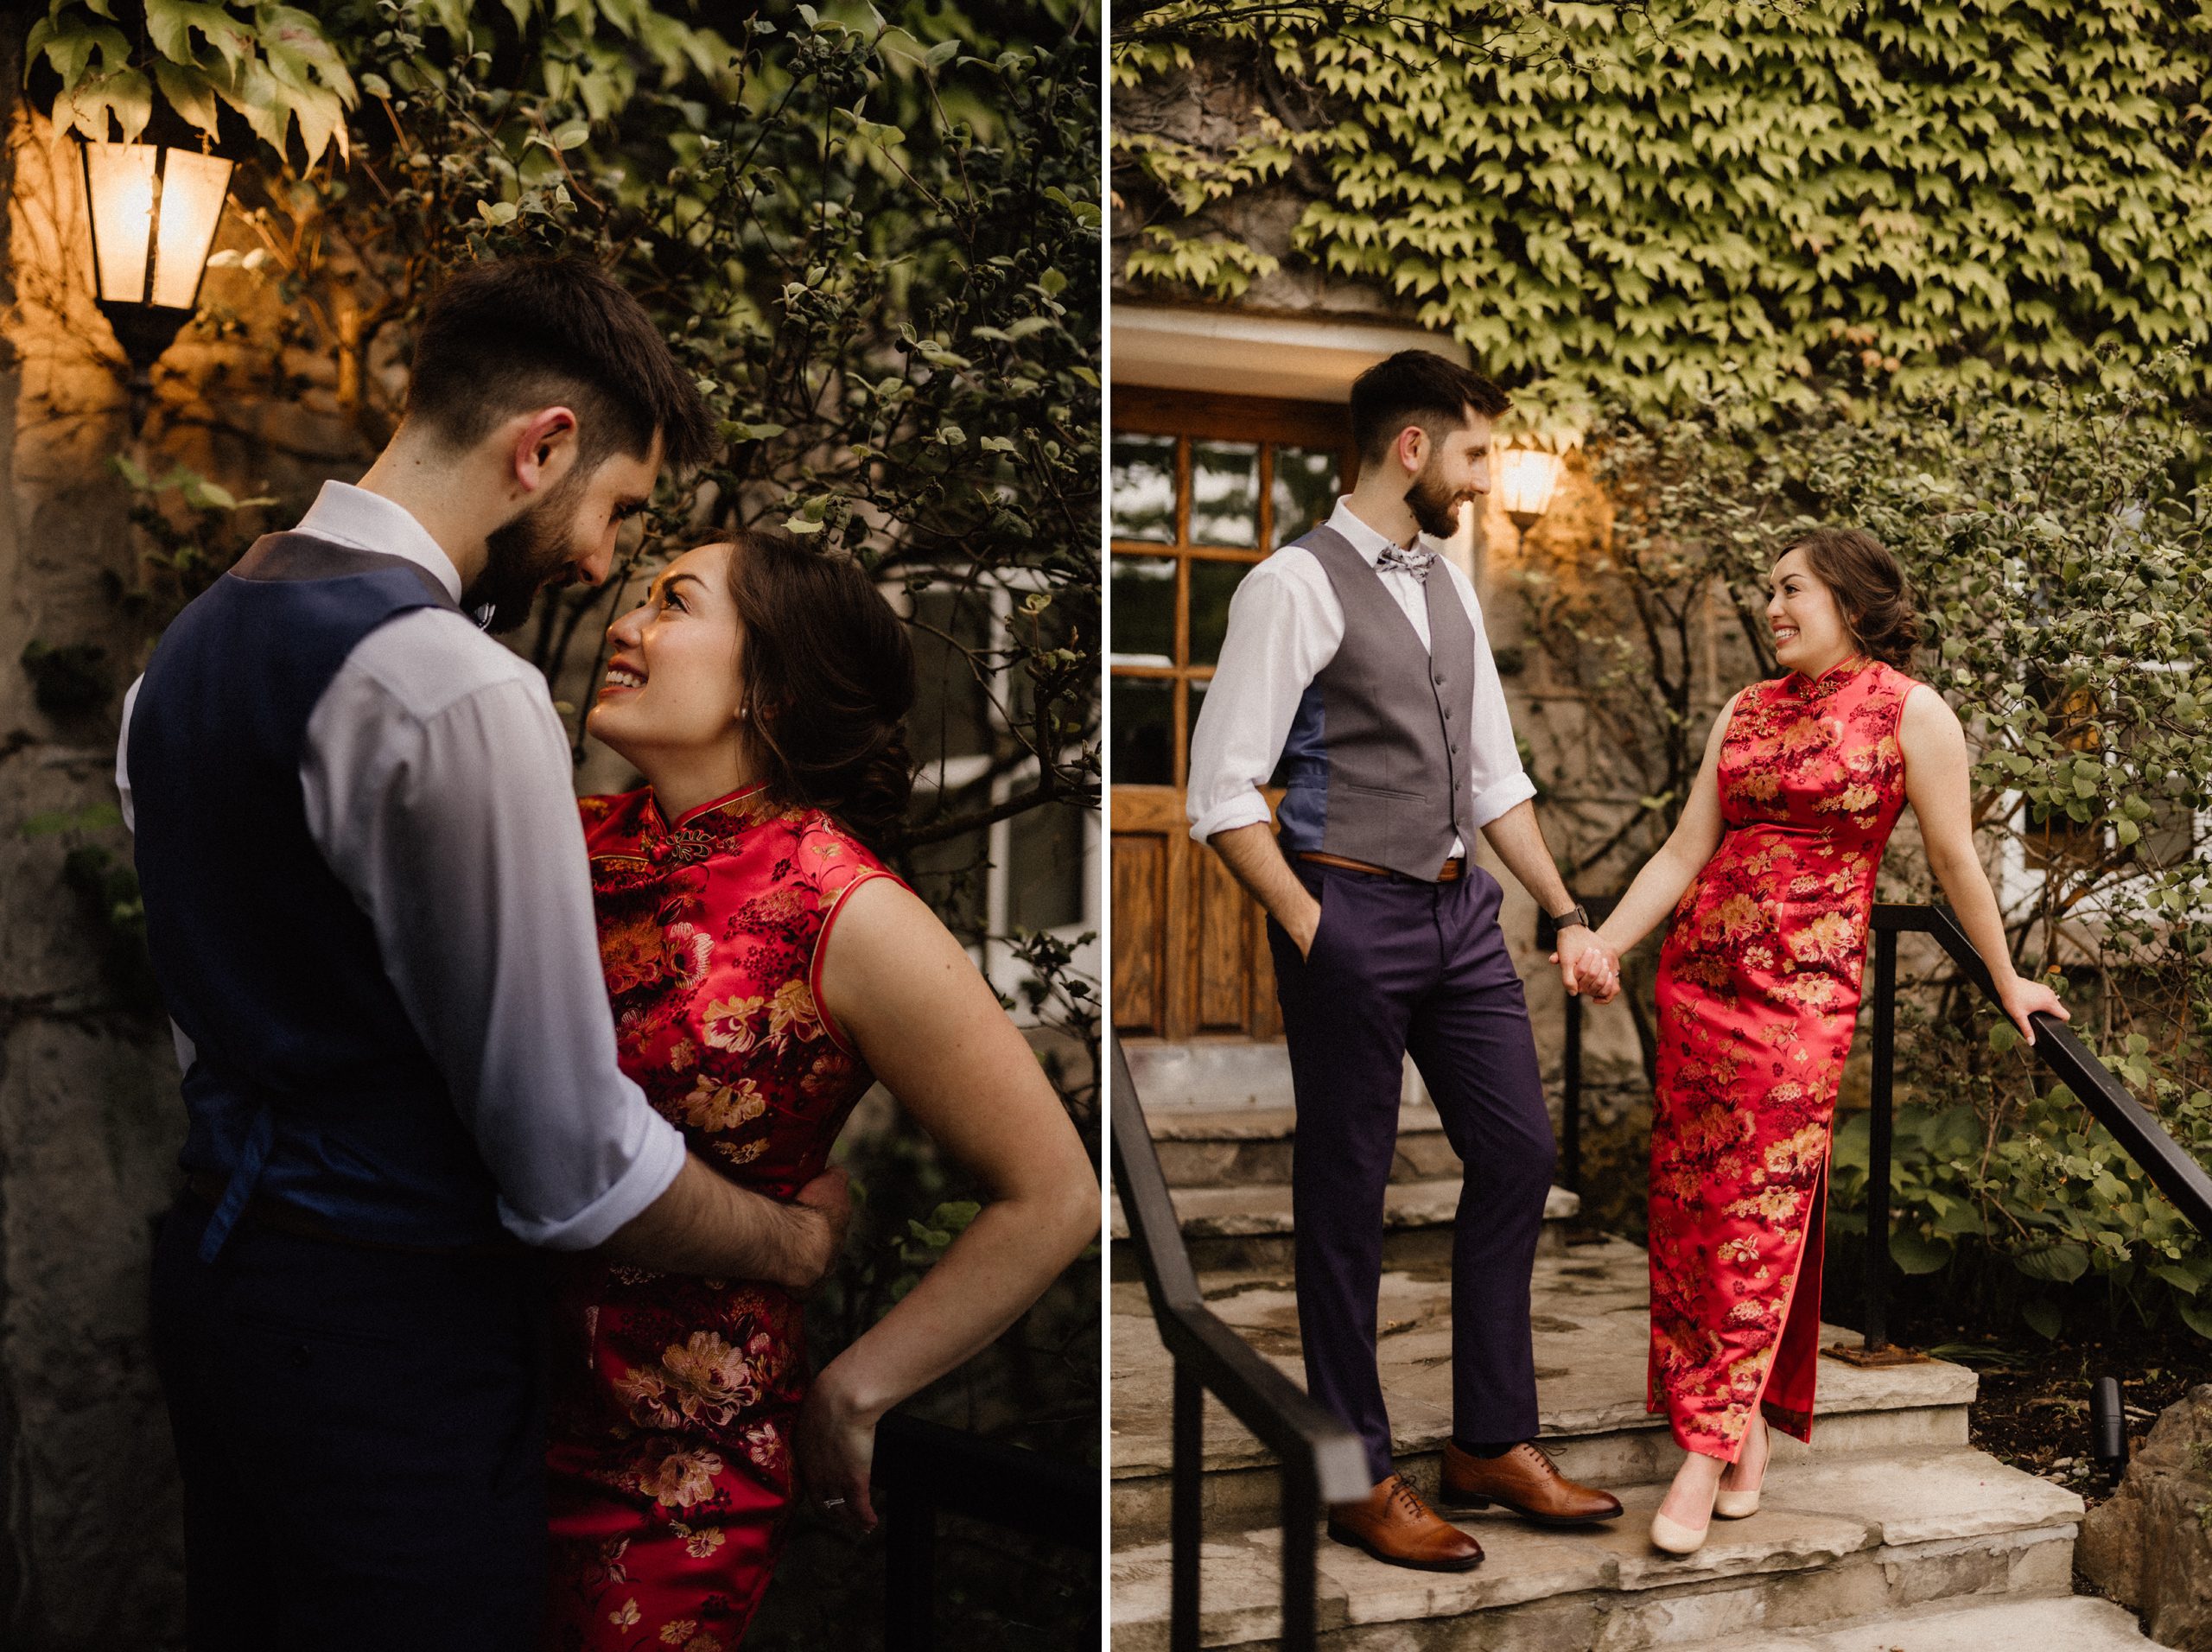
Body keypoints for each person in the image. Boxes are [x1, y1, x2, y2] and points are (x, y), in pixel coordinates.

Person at [120, 257, 858, 1650]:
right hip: (386, 1336)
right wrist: (792, 1242)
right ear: (545, 447)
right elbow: (568, 1160)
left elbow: (219, 1022)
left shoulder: (184, 652)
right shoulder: (455, 687)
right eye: (618, 511)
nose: (600, 564)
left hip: (219, 1295)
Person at [538, 531, 1097, 1646]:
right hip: (467, 1415)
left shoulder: (842, 907)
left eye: (675, 604)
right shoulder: (566, 843)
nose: (626, 626)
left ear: (771, 687)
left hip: (667, 1477)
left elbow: (1055, 1195)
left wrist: (858, 1388)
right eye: (640, 600)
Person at [1186, 349, 1624, 1575]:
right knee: (1346, 1198)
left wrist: (1563, 909)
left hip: (1459, 918)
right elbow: (1220, 790)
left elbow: (1495, 778)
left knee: (1521, 1152)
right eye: (1479, 453)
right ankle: (1353, 1471)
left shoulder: (1446, 587)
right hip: (1349, 913)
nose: (1489, 479)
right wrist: (1312, 922)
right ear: (1414, 449)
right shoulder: (1291, 585)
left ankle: (1489, 1441)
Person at [1567, 528, 2069, 1554]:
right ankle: (1740, 1426)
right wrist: (1606, 943)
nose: (1772, 607)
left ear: (1848, 596)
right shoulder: (1743, 709)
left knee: (1756, 1212)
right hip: (1699, 987)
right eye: (1767, 591)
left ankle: (1700, 1454)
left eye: (1790, 588)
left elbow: (1952, 857)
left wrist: (2004, 974)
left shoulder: (1908, 711)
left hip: (1800, 1001)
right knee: (1694, 1212)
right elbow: (1682, 847)